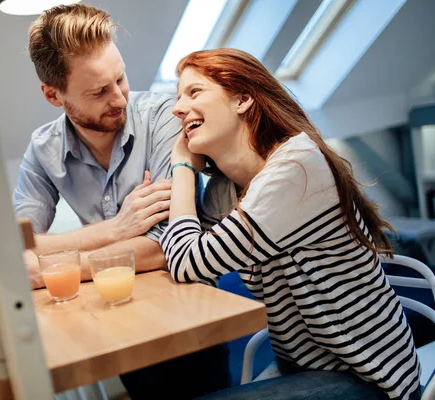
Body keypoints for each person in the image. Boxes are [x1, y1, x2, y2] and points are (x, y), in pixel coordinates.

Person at [161, 48, 421, 400]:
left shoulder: (296, 165)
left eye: (194, 92)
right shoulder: (225, 189)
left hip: (369, 375)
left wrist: (181, 168)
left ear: (243, 99)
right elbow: (187, 259)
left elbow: (186, 262)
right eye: (178, 96)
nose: (177, 108)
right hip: (302, 368)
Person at [13, 5, 231, 399]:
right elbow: (16, 247)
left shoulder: (166, 117)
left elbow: (168, 245)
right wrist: (115, 230)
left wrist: (53, 268)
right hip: (114, 325)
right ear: (52, 94)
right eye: (99, 91)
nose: (119, 98)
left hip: (188, 321)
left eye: (121, 77)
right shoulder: (43, 149)